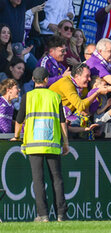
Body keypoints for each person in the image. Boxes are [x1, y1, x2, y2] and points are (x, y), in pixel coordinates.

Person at [11, 67, 70, 222]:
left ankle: (43, 215)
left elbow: (19, 120)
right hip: (52, 143)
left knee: (38, 180)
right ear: (46, 80)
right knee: (57, 179)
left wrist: (16, 136)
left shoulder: (27, 97)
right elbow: (62, 122)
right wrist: (66, 143)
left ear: (32, 79)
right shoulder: (55, 97)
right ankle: (61, 214)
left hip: (33, 144)